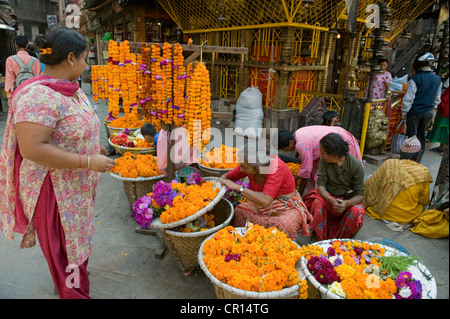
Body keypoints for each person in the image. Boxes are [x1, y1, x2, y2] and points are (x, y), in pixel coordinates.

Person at [0, 27, 116, 299]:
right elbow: (33, 148)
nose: (87, 65)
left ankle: (73, 284)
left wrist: (91, 145)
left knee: (75, 246)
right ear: (72, 58)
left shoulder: (70, 89)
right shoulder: (38, 96)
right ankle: (74, 293)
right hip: (54, 191)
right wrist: (87, 159)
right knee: (66, 253)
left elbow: (69, 128)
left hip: (75, 188)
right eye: (86, 58)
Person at [220, 142, 312, 239]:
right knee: (239, 211)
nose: (241, 169)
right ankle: (244, 242)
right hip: (262, 203)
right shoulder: (250, 164)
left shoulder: (276, 168)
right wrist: (222, 181)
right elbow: (226, 176)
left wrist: (239, 187)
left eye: (244, 167)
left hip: (286, 204)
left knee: (285, 225)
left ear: (259, 166)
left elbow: (265, 201)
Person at [303, 133, 365, 241]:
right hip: (328, 195)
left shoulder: (355, 165)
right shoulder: (324, 161)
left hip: (346, 198)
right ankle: (318, 238)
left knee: (357, 211)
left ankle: (342, 241)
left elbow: (360, 194)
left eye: (322, 153)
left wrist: (346, 203)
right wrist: (330, 199)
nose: (320, 155)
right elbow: (321, 185)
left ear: (333, 155)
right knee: (317, 203)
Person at [364, 136, 433, 226]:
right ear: (418, 156)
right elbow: (424, 199)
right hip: (407, 217)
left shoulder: (389, 163)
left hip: (382, 212)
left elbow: (371, 184)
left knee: (371, 178)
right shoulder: (424, 171)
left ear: (401, 153)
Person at [277, 126, 363, 195]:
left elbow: (306, 171)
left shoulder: (301, 144)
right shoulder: (298, 133)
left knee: (342, 173)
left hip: (339, 140)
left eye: (284, 149)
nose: (285, 151)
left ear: (291, 142)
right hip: (339, 134)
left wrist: (293, 180)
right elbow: (305, 162)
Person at [402, 52, 442, 163]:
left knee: (412, 137)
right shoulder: (437, 79)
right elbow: (437, 99)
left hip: (415, 112)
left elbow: (408, 99)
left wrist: (404, 112)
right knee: (421, 137)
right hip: (428, 111)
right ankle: (418, 159)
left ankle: (409, 160)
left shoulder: (415, 79)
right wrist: (432, 109)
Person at [4, 35, 41, 99]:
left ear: (15, 45)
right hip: (34, 95)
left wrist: (9, 97)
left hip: (18, 95)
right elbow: (38, 79)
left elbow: (9, 79)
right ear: (27, 45)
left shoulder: (10, 60)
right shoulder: (35, 60)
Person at [428, 87, 449, 154]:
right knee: (444, 129)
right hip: (444, 110)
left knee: (446, 129)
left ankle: (445, 149)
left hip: (446, 111)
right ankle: (441, 147)